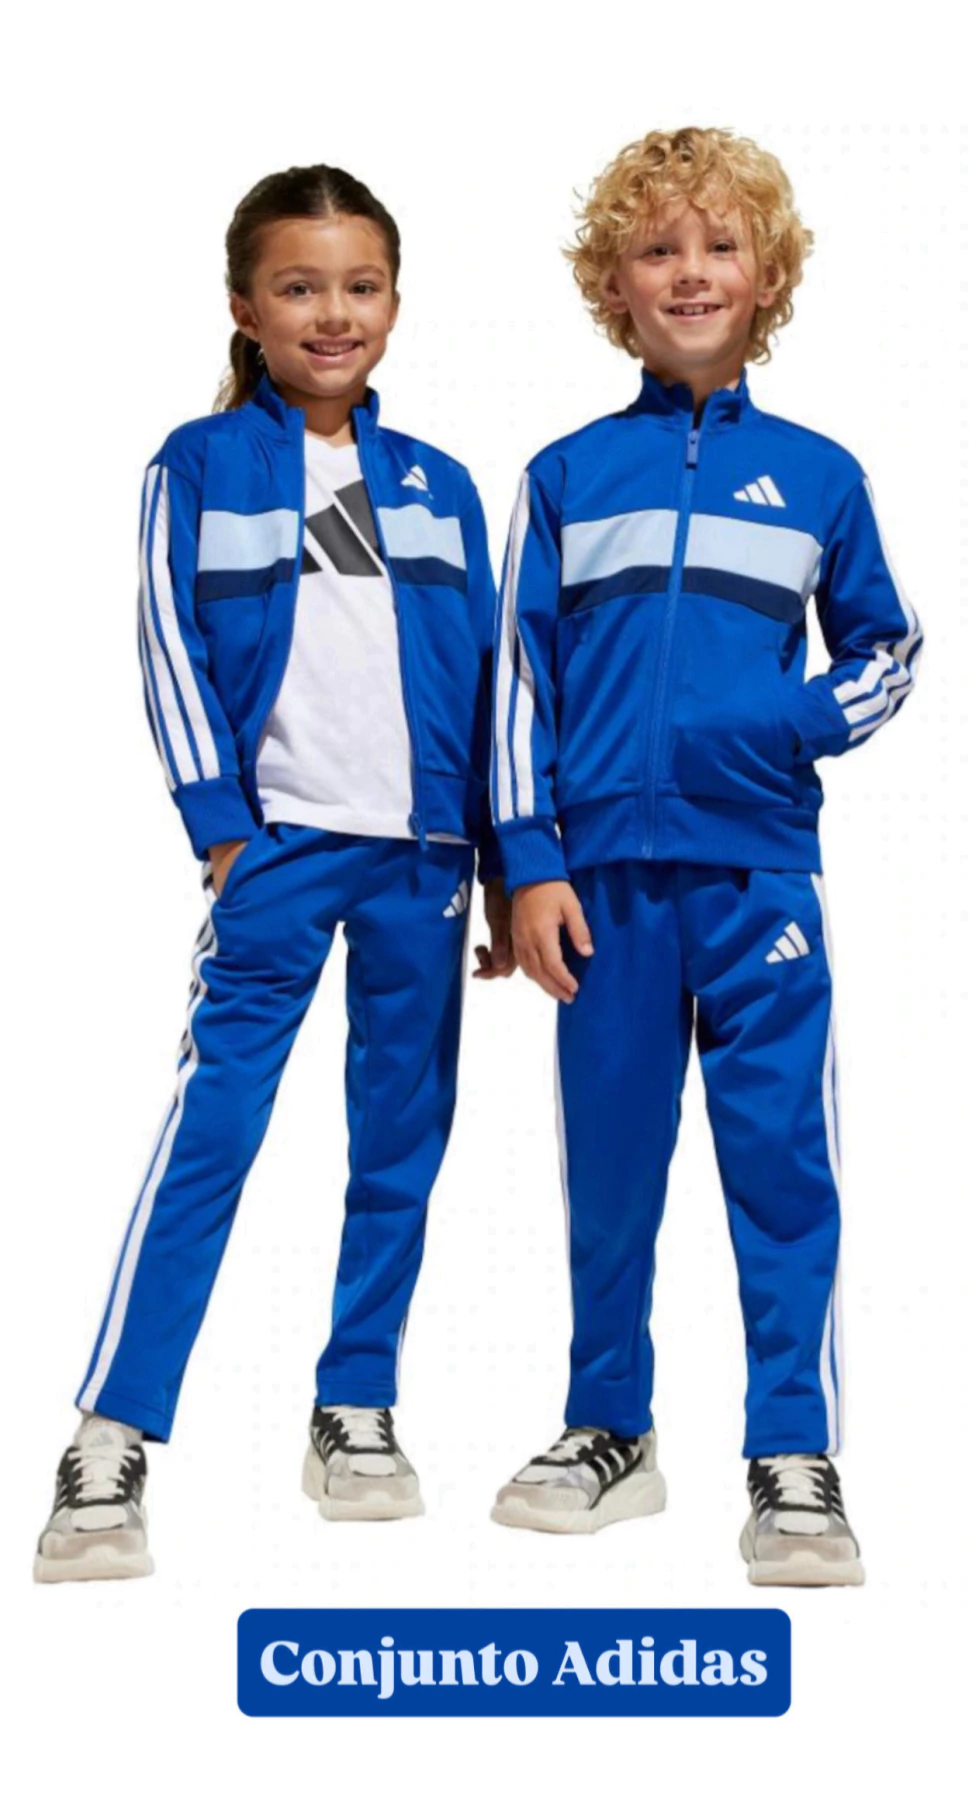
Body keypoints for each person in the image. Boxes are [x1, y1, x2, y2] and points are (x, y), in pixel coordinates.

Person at [35, 163, 512, 1583]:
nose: (333, 313)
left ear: (396, 304)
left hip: (423, 861)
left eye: (361, 286)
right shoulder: (197, 462)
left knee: (401, 1140)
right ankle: (112, 1432)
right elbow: (167, 642)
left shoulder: (441, 485)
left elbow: (494, 680)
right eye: (300, 288)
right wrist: (220, 824)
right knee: (215, 1131)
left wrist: (503, 858)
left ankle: (356, 1405)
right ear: (246, 308)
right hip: (279, 853)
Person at [488, 127, 922, 1584]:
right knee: (611, 1170)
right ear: (613, 284)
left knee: (781, 1165)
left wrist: (785, 725)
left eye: (720, 245)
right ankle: (608, 1427)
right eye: (657, 248)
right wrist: (529, 860)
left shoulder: (819, 477)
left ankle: (794, 1453)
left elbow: (888, 649)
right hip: (601, 887)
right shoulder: (566, 475)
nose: (690, 272)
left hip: (760, 880)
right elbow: (517, 683)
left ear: (769, 275)